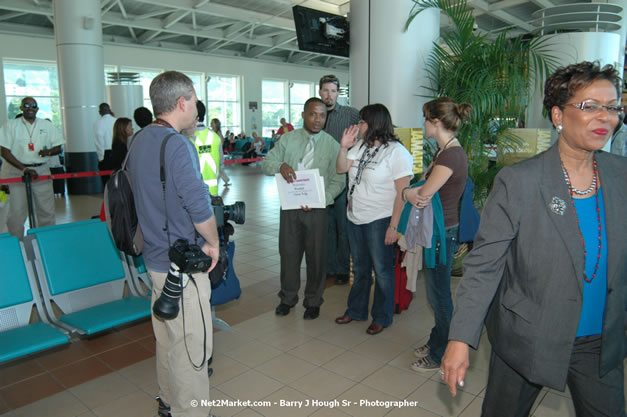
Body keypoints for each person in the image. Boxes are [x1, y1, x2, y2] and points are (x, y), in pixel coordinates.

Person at [440, 61, 627, 417]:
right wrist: (460, 338)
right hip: (529, 337)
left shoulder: (621, 177)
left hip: (599, 342)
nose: (605, 117)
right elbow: (484, 266)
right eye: (590, 106)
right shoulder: (521, 181)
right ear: (558, 114)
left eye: (613, 107)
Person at [127, 71, 220, 417]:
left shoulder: (139, 140)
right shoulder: (178, 145)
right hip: (181, 266)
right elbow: (198, 205)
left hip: (154, 260)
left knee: (167, 338)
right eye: (194, 100)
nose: (196, 107)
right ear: (182, 102)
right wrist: (213, 243)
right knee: (192, 346)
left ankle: (167, 399)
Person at [262, 97, 345, 320]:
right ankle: (287, 298)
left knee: (317, 257)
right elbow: (266, 163)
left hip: (318, 210)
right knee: (289, 254)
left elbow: (339, 181)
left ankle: (313, 301)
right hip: (290, 208)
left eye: (322, 115)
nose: (318, 119)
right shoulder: (287, 140)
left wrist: (322, 198)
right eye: (313, 114)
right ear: (303, 115)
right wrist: (281, 165)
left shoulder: (332, 145)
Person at [403, 97, 470, 371]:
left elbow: (423, 196)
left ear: (436, 122)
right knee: (436, 295)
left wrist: (406, 192)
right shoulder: (444, 152)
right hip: (440, 231)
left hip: (443, 234)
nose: (423, 124)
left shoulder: (451, 155)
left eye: (425, 118)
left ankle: (441, 352)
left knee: (440, 297)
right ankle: (436, 340)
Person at [334, 103, 413, 335]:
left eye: (362, 122)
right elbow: (341, 169)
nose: (359, 126)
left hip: (380, 220)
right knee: (360, 268)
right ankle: (356, 310)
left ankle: (382, 316)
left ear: (375, 123)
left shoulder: (397, 152)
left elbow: (403, 194)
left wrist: (394, 226)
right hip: (355, 217)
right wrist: (343, 147)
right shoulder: (360, 146)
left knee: (382, 271)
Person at [0, 97, 64, 238]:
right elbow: (4, 151)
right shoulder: (11, 125)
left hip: (41, 170)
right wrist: (24, 169)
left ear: (37, 109)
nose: (30, 108)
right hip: (16, 172)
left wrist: (48, 152)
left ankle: (47, 240)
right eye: (27, 105)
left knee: (46, 210)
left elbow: (58, 147)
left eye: (33, 105)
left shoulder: (47, 125)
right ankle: (17, 244)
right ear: (21, 108)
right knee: (16, 213)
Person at [320, 74, 360, 285]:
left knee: (343, 226)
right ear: (320, 92)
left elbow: (365, 134)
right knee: (326, 227)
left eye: (333, 91)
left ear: (338, 93)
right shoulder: (315, 113)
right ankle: (329, 268)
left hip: (342, 178)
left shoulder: (350, 114)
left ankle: (344, 269)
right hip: (320, 179)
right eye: (326, 91)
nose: (329, 95)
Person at [191, 101, 221, 195]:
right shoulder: (215, 137)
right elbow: (221, 161)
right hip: (213, 191)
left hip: (194, 193)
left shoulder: (188, 138)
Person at [210, 118, 231, 187]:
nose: (211, 123)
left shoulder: (218, 132)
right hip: (213, 152)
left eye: (212, 122)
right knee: (218, 168)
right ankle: (226, 180)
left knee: (217, 168)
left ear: (216, 124)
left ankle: (225, 180)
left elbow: (221, 142)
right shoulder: (211, 132)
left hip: (217, 153)